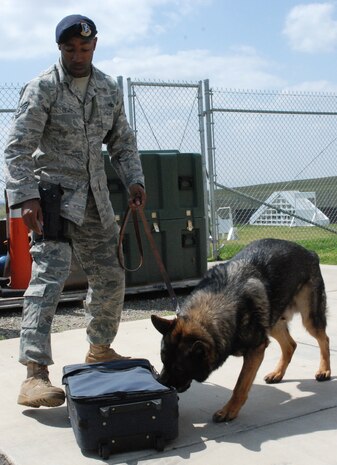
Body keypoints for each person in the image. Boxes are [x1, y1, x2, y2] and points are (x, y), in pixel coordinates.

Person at [4, 14, 146, 408]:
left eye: (85, 48)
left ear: (95, 45)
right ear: (60, 49)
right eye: (70, 49)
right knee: (48, 282)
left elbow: (123, 142)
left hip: (96, 203)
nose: (78, 56)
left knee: (111, 276)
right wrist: (27, 196)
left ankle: (100, 349)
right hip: (52, 202)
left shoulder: (106, 88)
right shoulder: (42, 88)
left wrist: (135, 180)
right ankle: (34, 374)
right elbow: (16, 148)